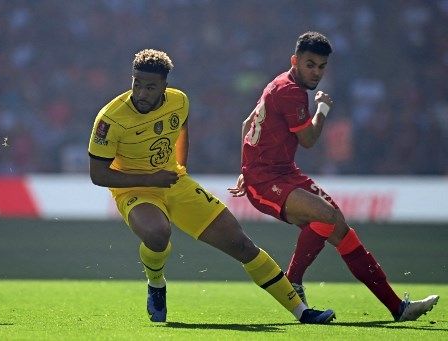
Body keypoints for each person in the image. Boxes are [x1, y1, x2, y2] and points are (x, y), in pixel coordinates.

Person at [88, 48, 335, 324]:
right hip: (133, 189)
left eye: (150, 87)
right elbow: (98, 175)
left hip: (173, 182)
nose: (142, 93)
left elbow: (181, 129)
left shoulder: (179, 101)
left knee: (242, 244)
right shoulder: (110, 120)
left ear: (164, 87)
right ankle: (156, 284)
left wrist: (180, 169)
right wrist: (151, 179)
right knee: (158, 234)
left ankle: (301, 311)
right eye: (137, 84)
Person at [229, 31, 439, 322]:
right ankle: (293, 281)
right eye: (310, 64)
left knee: (339, 227)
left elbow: (246, 124)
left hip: (283, 173)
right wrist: (324, 109)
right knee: (326, 216)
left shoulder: (282, 83)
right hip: (266, 180)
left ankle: (398, 308)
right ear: (295, 61)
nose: (316, 72)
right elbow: (309, 140)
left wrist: (244, 167)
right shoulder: (290, 91)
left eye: (321, 66)